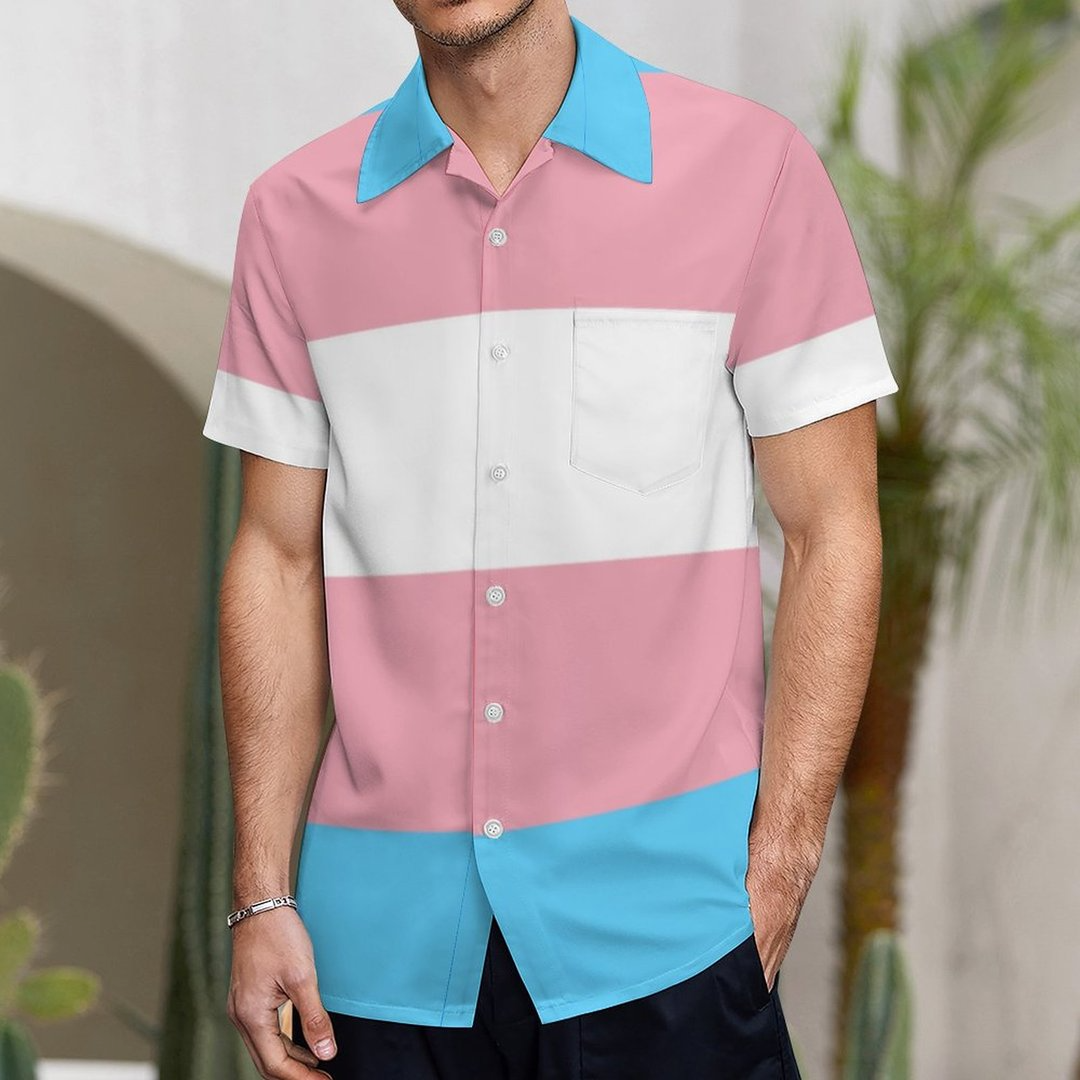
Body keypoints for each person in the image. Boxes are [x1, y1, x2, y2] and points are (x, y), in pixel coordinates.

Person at [202, 1, 899, 1077]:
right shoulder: (292, 216)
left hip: (672, 937)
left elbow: (833, 528)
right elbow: (277, 559)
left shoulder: (750, 171)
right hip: (379, 952)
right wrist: (261, 892)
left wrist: (783, 858)